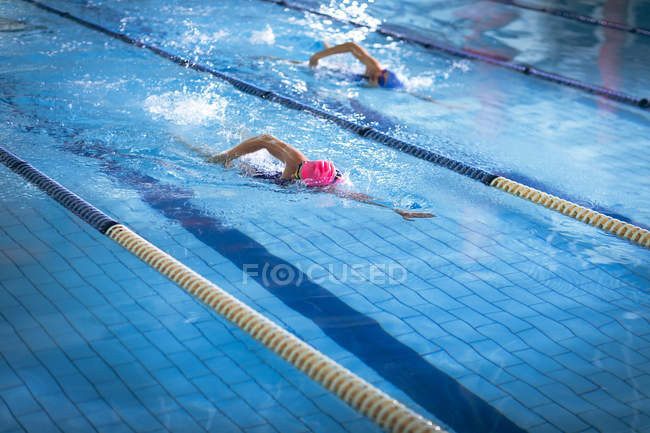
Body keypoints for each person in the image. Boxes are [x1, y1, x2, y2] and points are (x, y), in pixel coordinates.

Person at [185, 134, 434, 221]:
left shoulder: (328, 183)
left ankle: (210, 150)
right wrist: (228, 155)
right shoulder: (296, 162)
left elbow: (361, 196)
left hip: (279, 180)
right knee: (231, 160)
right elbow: (265, 138)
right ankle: (198, 148)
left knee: (251, 163)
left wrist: (396, 208)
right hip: (271, 177)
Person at [309, 42, 404, 89]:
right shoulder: (374, 67)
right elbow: (351, 46)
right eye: (384, 72)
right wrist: (316, 57)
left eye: (381, 80)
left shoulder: (377, 88)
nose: (378, 75)